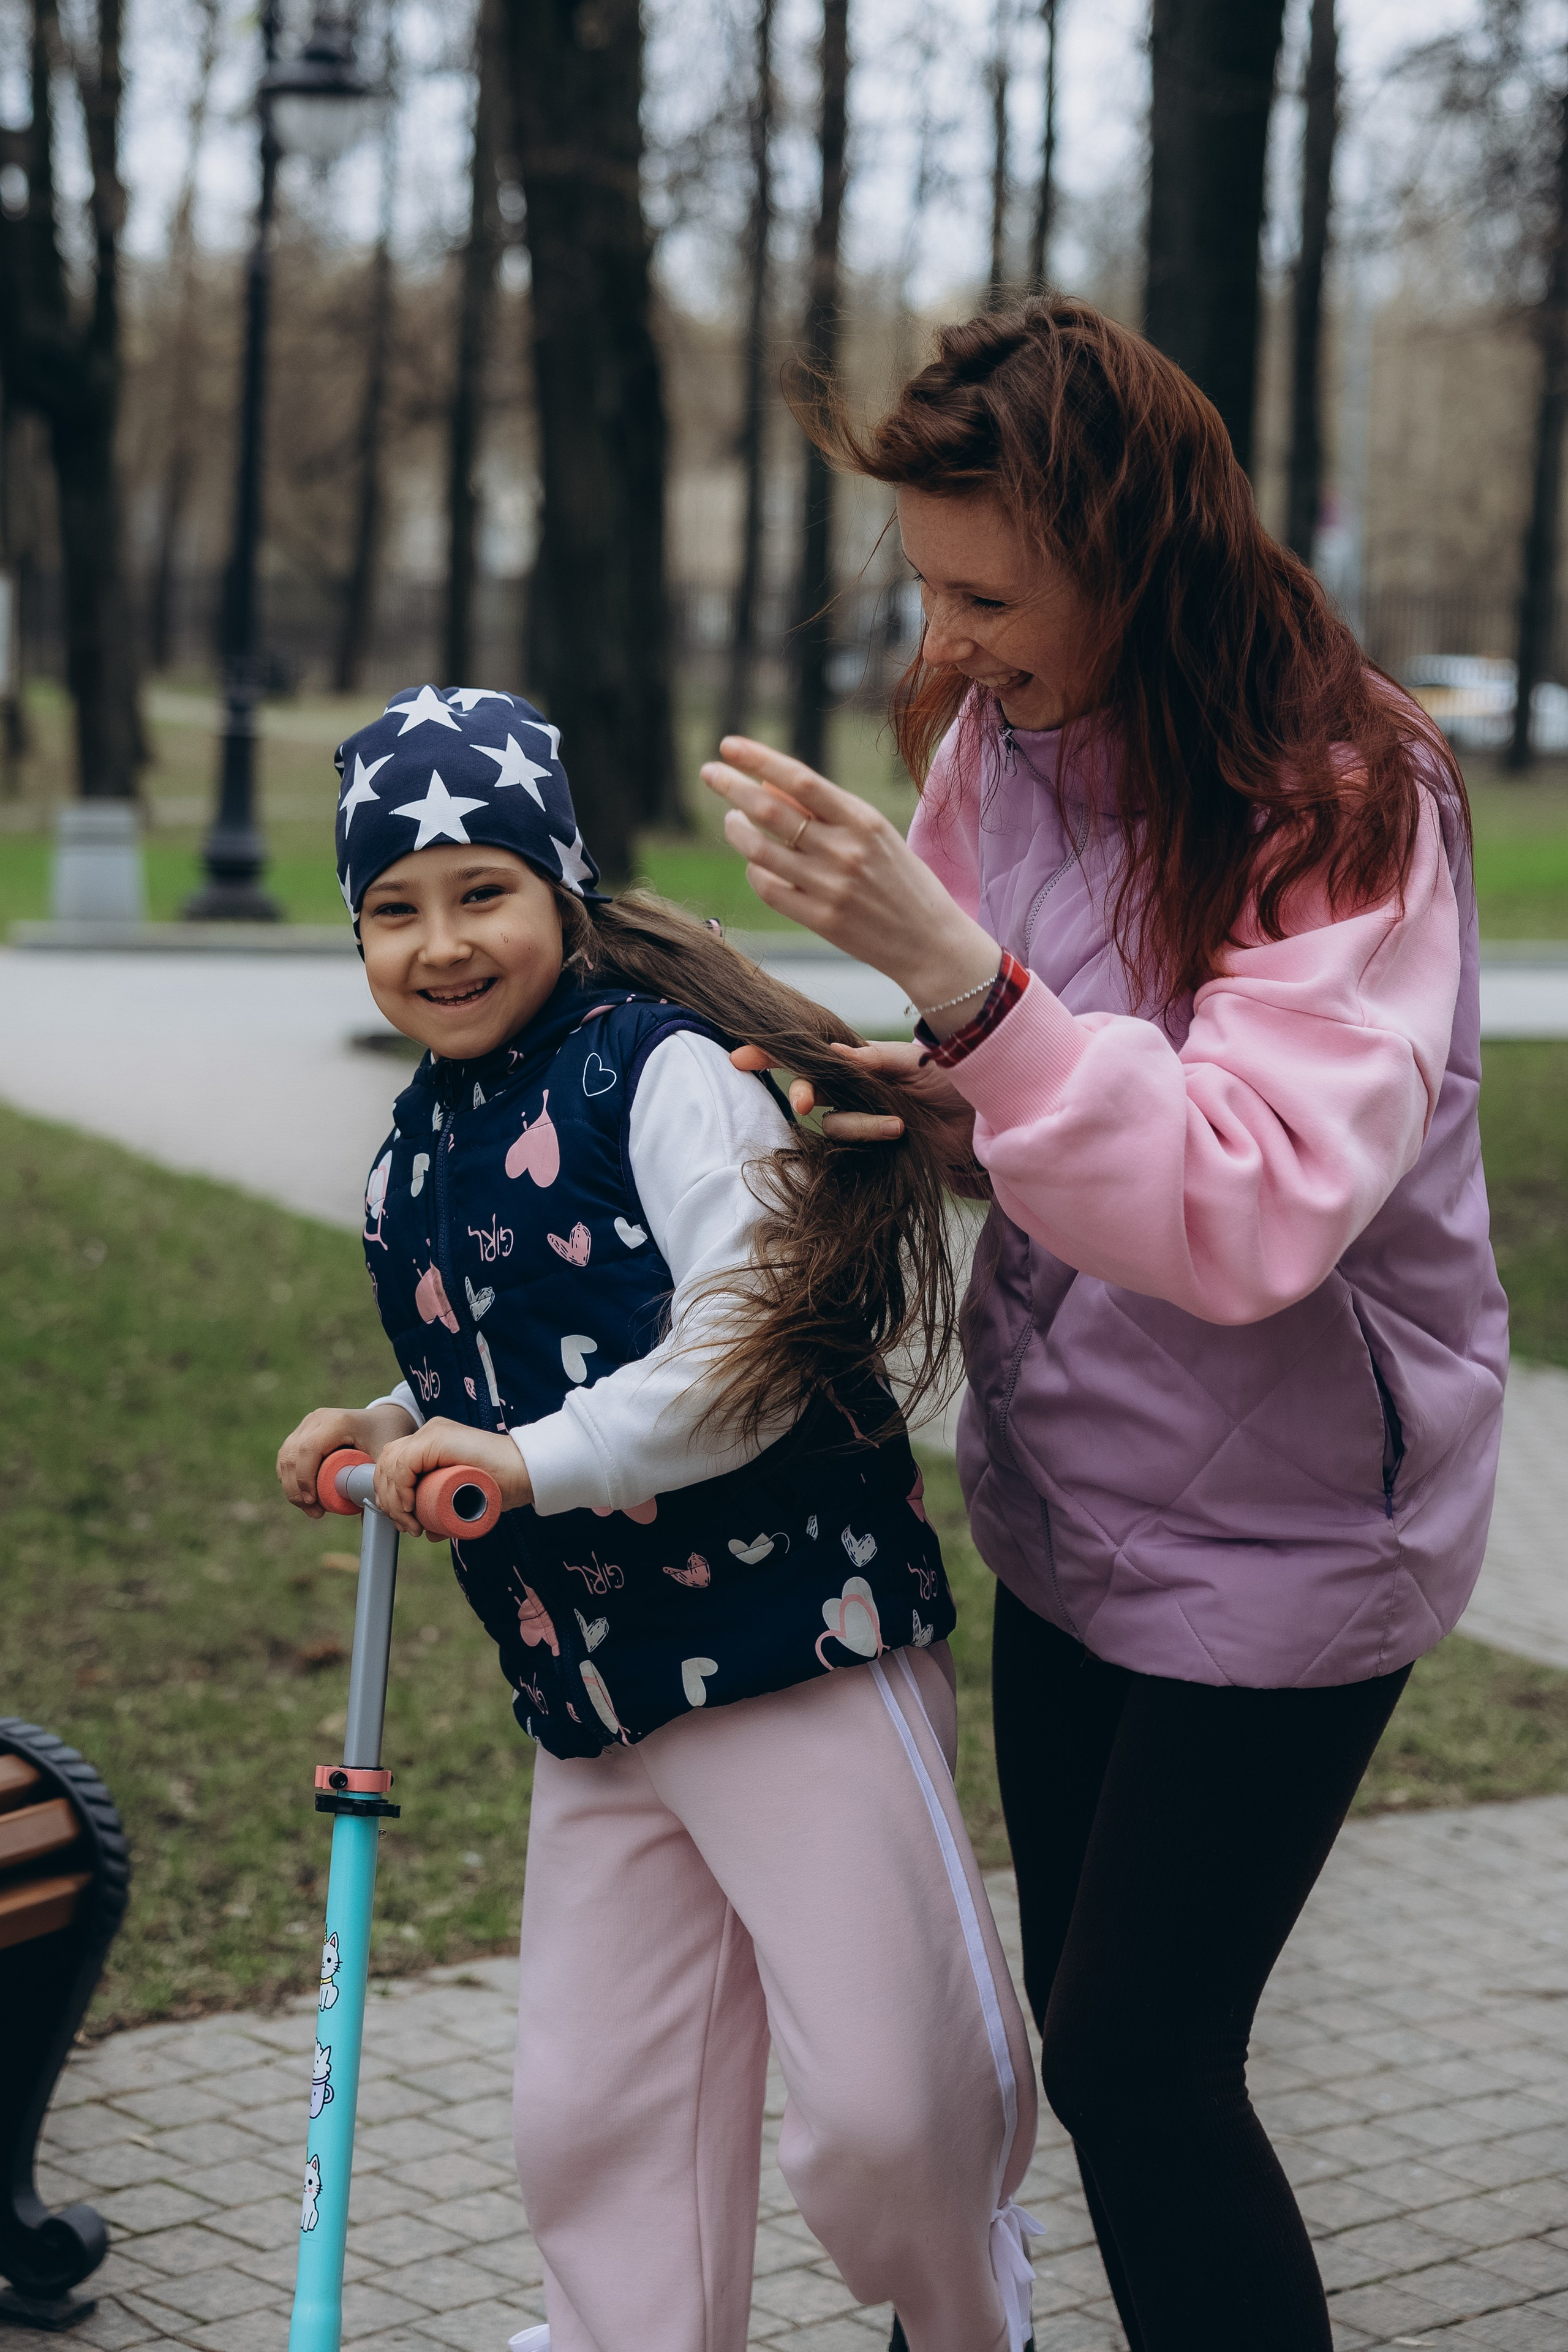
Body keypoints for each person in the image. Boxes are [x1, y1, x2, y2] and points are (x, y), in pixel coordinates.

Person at [701, 298, 1508, 2352]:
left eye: (989, 589)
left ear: (1131, 552)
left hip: (1303, 1528)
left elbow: (1251, 1209)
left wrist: (961, 990)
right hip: (1075, 1496)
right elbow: (1050, 1075)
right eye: (927, 586)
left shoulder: (1349, 795)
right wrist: (917, 1089)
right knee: (1090, 2042)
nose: (949, 640)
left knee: (1145, 2066)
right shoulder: (1011, 735)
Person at [275, 685, 1039, 2352]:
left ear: (562, 885)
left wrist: (526, 1463)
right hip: (599, 1698)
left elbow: (743, 1357)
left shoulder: (665, 1071)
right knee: (596, 2121)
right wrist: (392, 1423)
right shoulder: (420, 1147)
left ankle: (973, 2315)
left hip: (790, 1651)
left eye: (481, 891)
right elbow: (517, 1354)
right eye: (392, 910)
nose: (441, 944)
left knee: (895, 2103)